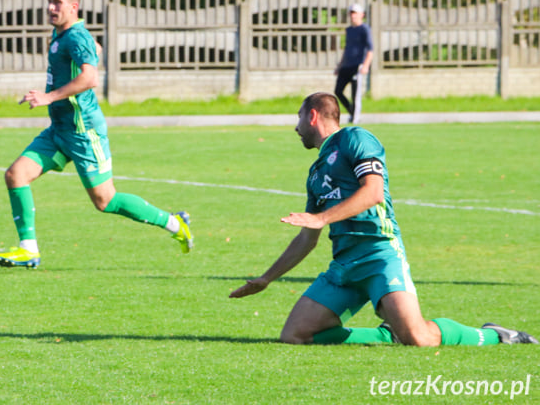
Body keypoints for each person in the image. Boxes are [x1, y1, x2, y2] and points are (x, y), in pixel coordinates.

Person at [229, 92, 537, 347]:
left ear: (312, 116)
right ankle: (386, 334)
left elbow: (373, 192)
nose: (295, 128)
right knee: (294, 336)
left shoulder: (355, 138)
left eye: (298, 117)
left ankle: (496, 335)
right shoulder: (316, 173)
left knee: (418, 338)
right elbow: (308, 237)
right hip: (344, 266)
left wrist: (322, 217)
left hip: (379, 254)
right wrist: (266, 278)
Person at [0, 0, 192, 269]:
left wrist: (49, 96)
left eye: (57, 2)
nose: (50, 7)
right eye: (49, 0)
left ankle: (175, 223)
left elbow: (90, 78)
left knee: (105, 200)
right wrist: (88, 49)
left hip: (83, 132)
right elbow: (94, 49)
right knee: (15, 175)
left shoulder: (75, 37)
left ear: (73, 7)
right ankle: (29, 250)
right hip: (59, 130)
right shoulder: (64, 33)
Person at [334, 3, 373, 124]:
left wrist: (366, 65)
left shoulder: (364, 29)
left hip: (358, 65)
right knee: (338, 91)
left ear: (362, 15)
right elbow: (347, 49)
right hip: (346, 65)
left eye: (355, 13)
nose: (352, 16)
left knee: (355, 94)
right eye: (351, 13)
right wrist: (339, 65)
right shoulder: (349, 30)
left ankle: (355, 119)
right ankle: (352, 111)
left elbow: (370, 48)